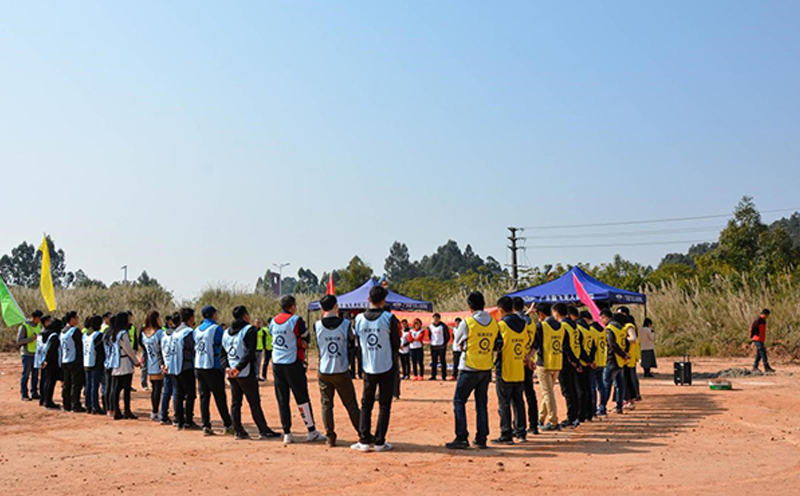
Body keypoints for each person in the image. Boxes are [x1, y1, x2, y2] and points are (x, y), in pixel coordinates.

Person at [446, 291, 499, 450]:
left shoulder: (467, 323)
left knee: (459, 401)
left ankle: (462, 437)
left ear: (469, 306)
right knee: (481, 403)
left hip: (469, 367)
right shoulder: (494, 322)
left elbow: (457, 343)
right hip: (486, 368)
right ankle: (481, 438)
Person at [269, 295, 324, 444]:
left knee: (282, 399)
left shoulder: (273, 321)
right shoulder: (296, 320)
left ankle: (287, 432)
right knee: (302, 398)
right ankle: (311, 430)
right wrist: (301, 343)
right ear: (292, 306)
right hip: (292, 363)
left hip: (277, 364)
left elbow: (272, 335)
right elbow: (306, 337)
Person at [351, 285, 400, 452]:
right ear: (383, 301)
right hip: (386, 366)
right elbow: (396, 343)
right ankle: (380, 442)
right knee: (384, 405)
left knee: (366, 404)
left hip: (367, 367)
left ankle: (364, 440)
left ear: (368, 299)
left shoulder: (358, 319)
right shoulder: (389, 318)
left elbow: (358, 340)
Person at [221, 305, 280, 440]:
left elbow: (222, 353)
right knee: (254, 402)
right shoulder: (249, 330)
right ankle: (263, 430)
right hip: (245, 372)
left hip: (231, 373)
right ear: (245, 316)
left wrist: (227, 368)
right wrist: (239, 368)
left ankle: (238, 431)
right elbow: (249, 352)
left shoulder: (226, 332)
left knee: (236, 402)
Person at [315, 295, 361, 447]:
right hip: (341, 369)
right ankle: (362, 433)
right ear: (336, 306)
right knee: (351, 404)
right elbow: (351, 341)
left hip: (324, 369)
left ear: (321, 309)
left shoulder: (317, 325)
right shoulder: (346, 324)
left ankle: (330, 437)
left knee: (326, 405)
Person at [492, 296, 531, 445]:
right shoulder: (523, 323)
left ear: (501, 310)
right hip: (518, 367)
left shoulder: (501, 325)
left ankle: (506, 434)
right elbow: (526, 342)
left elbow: (496, 345)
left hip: (505, 367)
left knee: (504, 403)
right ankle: (521, 432)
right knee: (519, 402)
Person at [194, 305, 234, 436]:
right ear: (213, 315)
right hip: (212, 366)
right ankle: (228, 424)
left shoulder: (197, 330)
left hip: (199, 366)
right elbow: (224, 344)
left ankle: (206, 425)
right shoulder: (216, 329)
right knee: (220, 397)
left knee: (204, 397)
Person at [529, 303, 565, 431]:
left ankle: (553, 421)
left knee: (547, 392)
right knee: (547, 392)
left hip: (544, 364)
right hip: (557, 363)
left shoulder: (541, 326)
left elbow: (535, 344)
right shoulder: (561, 326)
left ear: (541, 314)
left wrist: (530, 358)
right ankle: (541, 418)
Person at [553, 303, 581, 428]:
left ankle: (571, 417)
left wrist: (572, 360)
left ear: (557, 313)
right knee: (572, 389)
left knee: (567, 391)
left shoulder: (562, 326)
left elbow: (565, 346)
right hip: (574, 360)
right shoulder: (574, 325)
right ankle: (575, 416)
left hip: (566, 362)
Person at [108, 312, 140, 420]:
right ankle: (127, 410)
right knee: (126, 389)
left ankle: (116, 410)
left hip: (116, 363)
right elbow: (128, 349)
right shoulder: (123, 334)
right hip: (125, 362)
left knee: (116, 389)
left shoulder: (113, 333)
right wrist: (136, 361)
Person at [171, 308, 200, 430]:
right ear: (190, 318)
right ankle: (188, 420)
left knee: (178, 393)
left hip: (174, 366)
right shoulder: (188, 332)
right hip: (186, 366)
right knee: (190, 394)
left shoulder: (175, 331)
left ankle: (178, 420)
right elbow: (193, 347)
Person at [513, 297, 538, 435]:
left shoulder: (515, 323)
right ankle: (533, 425)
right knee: (530, 394)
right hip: (529, 362)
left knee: (516, 397)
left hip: (517, 361)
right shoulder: (532, 322)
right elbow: (536, 343)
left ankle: (518, 427)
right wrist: (529, 357)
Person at [599, 309, 629, 415]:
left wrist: (622, 354)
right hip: (620, 361)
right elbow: (626, 342)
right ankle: (619, 406)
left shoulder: (610, 328)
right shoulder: (621, 328)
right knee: (619, 384)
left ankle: (602, 408)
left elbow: (612, 344)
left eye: (601, 319)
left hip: (612, 359)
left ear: (605, 317)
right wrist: (625, 354)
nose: (601, 321)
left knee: (606, 384)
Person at [141, 311, 166, 422]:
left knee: (155, 388)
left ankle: (154, 411)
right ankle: (156, 411)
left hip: (150, 364)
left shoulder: (144, 333)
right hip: (160, 364)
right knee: (158, 389)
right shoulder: (159, 333)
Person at [574, 309, 597, 422]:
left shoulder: (578, 329)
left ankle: (581, 415)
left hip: (582, 363)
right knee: (588, 389)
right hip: (588, 363)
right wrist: (591, 360)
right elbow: (593, 347)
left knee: (581, 391)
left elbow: (579, 348)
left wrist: (585, 360)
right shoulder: (590, 329)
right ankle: (589, 413)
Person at [60, 311, 85, 412]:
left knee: (67, 383)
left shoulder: (62, 331)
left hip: (65, 360)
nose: (78, 319)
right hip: (74, 360)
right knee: (76, 384)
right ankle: (75, 404)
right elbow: (80, 346)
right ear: (71, 319)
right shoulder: (74, 331)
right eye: (76, 318)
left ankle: (66, 404)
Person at [17, 309, 43, 401]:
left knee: (35, 375)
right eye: (38, 318)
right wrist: (31, 339)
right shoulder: (24, 326)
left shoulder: (39, 326)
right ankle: (24, 394)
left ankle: (34, 392)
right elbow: (19, 340)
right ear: (34, 318)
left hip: (36, 354)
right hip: (27, 354)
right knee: (26, 374)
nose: (39, 320)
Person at [82, 315, 105, 415]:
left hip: (86, 361)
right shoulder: (98, 335)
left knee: (88, 384)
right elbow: (100, 351)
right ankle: (95, 406)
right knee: (94, 385)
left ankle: (88, 405)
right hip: (95, 363)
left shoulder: (86, 334)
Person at [39, 318, 63, 410]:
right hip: (51, 362)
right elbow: (51, 349)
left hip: (41, 360)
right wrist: (47, 360)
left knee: (44, 381)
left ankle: (43, 399)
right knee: (50, 382)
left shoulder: (43, 334)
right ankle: (48, 402)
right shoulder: (54, 336)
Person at [159, 313, 178, 425]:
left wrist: (162, 363)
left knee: (166, 392)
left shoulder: (164, 334)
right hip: (175, 367)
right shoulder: (177, 334)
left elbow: (161, 350)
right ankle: (177, 417)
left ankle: (163, 416)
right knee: (176, 392)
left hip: (166, 366)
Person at [33, 315, 52, 406]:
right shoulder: (45, 333)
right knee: (45, 379)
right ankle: (44, 398)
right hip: (44, 359)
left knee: (43, 379)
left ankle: (42, 398)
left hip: (41, 358)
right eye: (49, 321)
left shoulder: (41, 333)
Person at [427, 314, 450, 381]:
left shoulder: (443, 326)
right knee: (434, 361)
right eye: (434, 318)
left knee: (442, 361)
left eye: (437, 318)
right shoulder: (430, 326)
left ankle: (444, 376)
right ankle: (433, 375)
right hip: (433, 346)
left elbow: (447, 336)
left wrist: (444, 343)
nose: (436, 320)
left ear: (439, 319)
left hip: (441, 346)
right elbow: (429, 335)